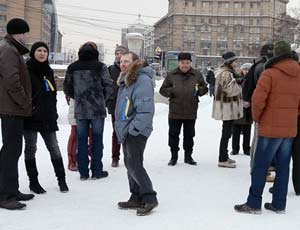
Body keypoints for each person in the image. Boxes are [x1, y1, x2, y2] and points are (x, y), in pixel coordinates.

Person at [234, 41, 300, 214]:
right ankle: (279, 204)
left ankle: (254, 203)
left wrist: (258, 118)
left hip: (270, 127)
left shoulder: (269, 73)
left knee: (261, 165)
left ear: (276, 55)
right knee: (284, 166)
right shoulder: (299, 72)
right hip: (290, 127)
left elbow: (257, 100)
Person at [115, 51, 158, 216]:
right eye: (121, 61)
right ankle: (135, 196)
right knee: (129, 163)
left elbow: (146, 110)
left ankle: (149, 197)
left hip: (137, 130)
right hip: (127, 128)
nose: (123, 64)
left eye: (127, 61)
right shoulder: (127, 80)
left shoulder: (141, 80)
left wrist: (134, 130)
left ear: (135, 63)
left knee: (135, 164)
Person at [23, 42, 69, 194]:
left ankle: (61, 180)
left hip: (48, 117)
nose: (42, 53)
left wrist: (53, 113)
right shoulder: (26, 70)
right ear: (33, 53)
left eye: (44, 51)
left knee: (54, 148)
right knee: (31, 149)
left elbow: (53, 94)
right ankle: (33, 182)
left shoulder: (48, 71)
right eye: (39, 50)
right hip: (31, 117)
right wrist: (30, 108)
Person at [64, 41, 113, 180]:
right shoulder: (101, 66)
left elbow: (67, 88)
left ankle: (83, 172)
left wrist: (79, 97)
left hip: (80, 109)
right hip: (97, 109)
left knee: (81, 139)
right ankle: (97, 170)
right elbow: (109, 85)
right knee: (97, 139)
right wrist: (101, 99)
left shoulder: (72, 67)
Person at [0, 18, 34, 210]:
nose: (26, 36)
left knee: (13, 150)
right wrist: (24, 101)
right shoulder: (8, 49)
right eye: (24, 33)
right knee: (10, 151)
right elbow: (12, 81)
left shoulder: (11, 48)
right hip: (11, 107)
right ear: (18, 33)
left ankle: (11, 189)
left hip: (13, 107)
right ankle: (5, 195)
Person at [159, 52, 208, 166]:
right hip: (175, 111)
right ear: (178, 63)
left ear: (190, 63)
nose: (185, 65)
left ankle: (188, 156)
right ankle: (174, 156)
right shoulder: (172, 74)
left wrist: (199, 90)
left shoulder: (197, 74)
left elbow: (204, 88)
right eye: (182, 63)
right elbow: (163, 90)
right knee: (173, 135)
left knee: (189, 136)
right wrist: (172, 91)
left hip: (191, 110)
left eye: (187, 63)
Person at [242, 43, 274, 170]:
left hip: (258, 106)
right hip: (261, 107)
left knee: (259, 136)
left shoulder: (258, 65)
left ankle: (257, 166)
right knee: (260, 137)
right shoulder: (263, 67)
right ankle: (256, 167)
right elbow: (262, 91)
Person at [212, 51, 243, 168]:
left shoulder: (228, 72)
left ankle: (224, 155)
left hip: (227, 106)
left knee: (227, 132)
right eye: (235, 61)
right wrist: (240, 84)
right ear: (229, 62)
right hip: (227, 107)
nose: (237, 63)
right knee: (226, 133)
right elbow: (230, 90)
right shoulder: (226, 73)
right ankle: (222, 158)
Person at [107, 45, 129, 167]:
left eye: (120, 53)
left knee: (129, 132)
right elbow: (107, 87)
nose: (118, 55)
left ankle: (129, 156)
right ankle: (115, 157)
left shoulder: (131, 69)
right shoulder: (111, 69)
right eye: (116, 53)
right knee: (116, 132)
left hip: (129, 106)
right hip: (115, 105)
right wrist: (109, 101)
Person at [231, 63, 253, 156]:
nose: (246, 71)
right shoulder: (236, 80)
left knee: (247, 131)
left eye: (248, 69)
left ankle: (246, 148)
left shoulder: (253, 80)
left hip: (248, 109)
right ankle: (235, 149)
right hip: (237, 108)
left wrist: (250, 102)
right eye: (245, 69)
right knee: (236, 131)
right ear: (241, 70)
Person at [66, 98, 93, 171]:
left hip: (92, 107)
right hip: (76, 106)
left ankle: (89, 158)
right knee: (75, 134)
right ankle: (72, 161)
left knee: (92, 134)